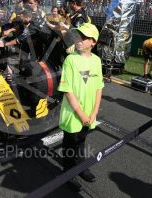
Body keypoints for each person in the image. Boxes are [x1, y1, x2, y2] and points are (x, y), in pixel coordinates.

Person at [58, 23, 104, 191]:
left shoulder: (97, 61)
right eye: (78, 36)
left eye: (84, 37)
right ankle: (68, 173)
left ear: (93, 42)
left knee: (81, 141)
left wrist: (94, 111)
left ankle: (81, 167)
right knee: (70, 144)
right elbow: (67, 90)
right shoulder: (70, 60)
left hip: (89, 113)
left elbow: (99, 87)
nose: (79, 40)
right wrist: (81, 114)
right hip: (73, 113)